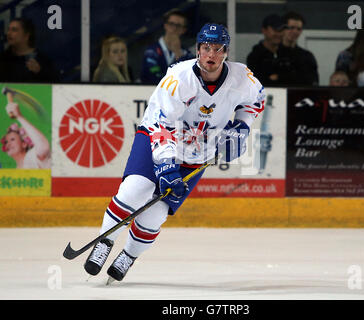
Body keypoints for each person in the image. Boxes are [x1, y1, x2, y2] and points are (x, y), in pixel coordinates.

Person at [83, 23, 265, 283]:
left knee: (155, 214)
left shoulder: (242, 78)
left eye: (217, 49)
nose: (211, 55)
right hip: (155, 138)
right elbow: (163, 124)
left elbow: (256, 99)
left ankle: (129, 255)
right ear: (198, 49)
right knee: (135, 189)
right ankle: (105, 241)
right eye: (205, 48)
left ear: (226, 52)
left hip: (198, 152)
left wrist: (242, 127)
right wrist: (166, 166)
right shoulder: (179, 78)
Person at [140, 8, 195, 84]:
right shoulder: (151, 51)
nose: (174, 28)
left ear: (183, 30)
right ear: (165, 25)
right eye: (171, 24)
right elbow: (154, 78)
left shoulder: (188, 55)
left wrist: (178, 53)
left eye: (178, 26)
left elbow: (190, 79)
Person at [0, 18, 59, 83]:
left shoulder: (42, 60)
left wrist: (39, 72)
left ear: (27, 35)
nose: (8, 33)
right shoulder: (3, 58)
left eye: (14, 30)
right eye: (8, 29)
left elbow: (55, 86)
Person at [0, 102, 51, 169]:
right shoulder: (15, 171)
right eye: (6, 142)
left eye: (12, 139)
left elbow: (44, 147)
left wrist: (19, 116)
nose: (8, 144)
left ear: (24, 144)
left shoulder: (32, 156)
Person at [246, 13, 290, 87]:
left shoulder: (289, 54)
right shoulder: (255, 57)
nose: (279, 34)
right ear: (264, 30)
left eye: (282, 30)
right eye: (275, 29)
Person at [277, 11, 319, 86]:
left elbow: (314, 82)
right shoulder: (273, 54)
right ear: (283, 29)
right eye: (291, 28)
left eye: (298, 29)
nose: (295, 32)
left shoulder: (307, 56)